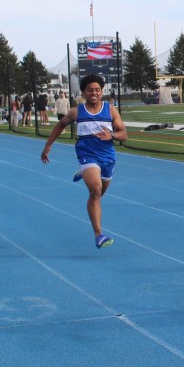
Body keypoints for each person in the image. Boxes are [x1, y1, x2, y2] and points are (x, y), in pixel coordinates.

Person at [41, 74, 128, 249]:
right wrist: (48, 146)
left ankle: (85, 172)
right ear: (84, 92)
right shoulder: (77, 112)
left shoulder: (111, 110)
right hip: (87, 153)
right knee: (95, 190)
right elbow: (60, 125)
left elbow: (124, 134)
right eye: (90, 90)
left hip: (107, 156)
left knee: (99, 194)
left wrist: (111, 135)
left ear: (101, 92)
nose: (94, 93)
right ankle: (98, 235)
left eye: (97, 90)